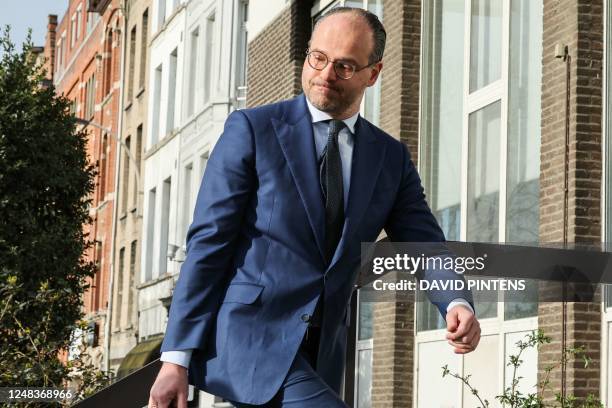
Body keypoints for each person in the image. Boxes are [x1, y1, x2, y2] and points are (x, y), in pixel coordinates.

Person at [149, 7, 480, 408]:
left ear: (372, 74)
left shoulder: (390, 158)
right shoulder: (252, 130)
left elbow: (425, 244)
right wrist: (175, 359)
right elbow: (209, 243)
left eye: (344, 66)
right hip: (250, 340)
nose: (325, 74)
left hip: (322, 353)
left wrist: (456, 301)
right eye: (318, 58)